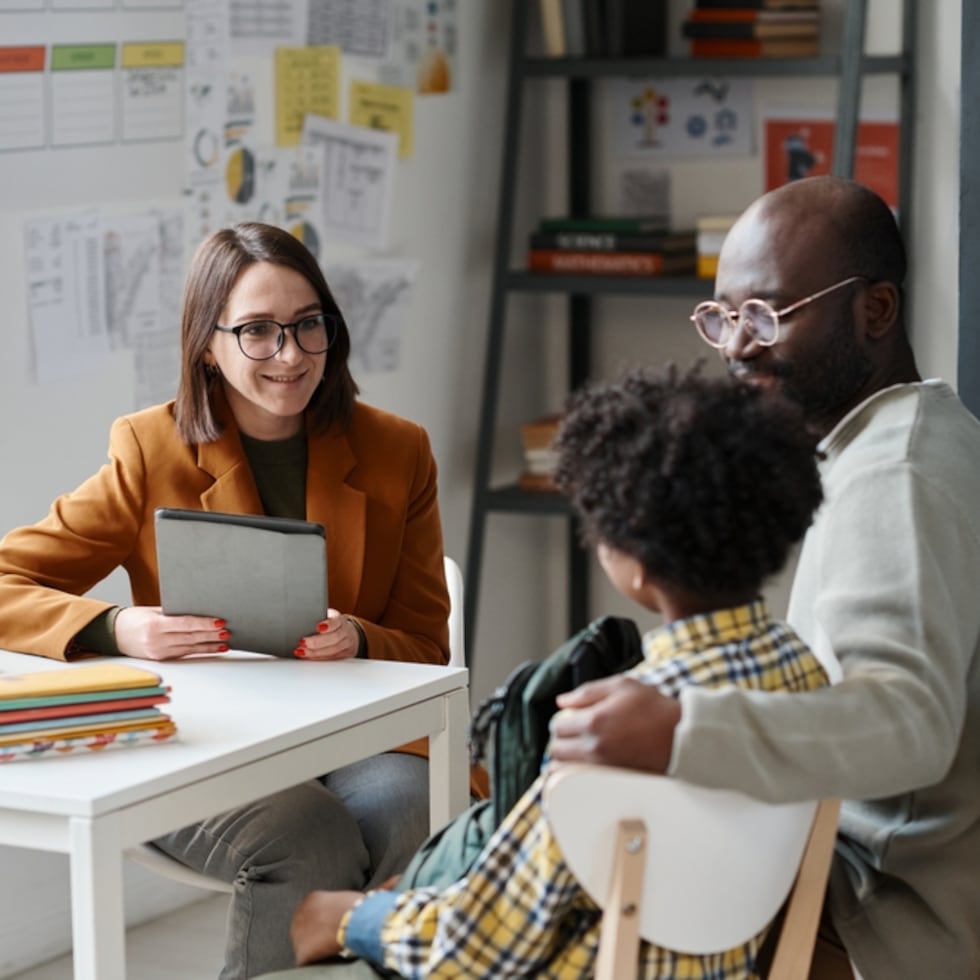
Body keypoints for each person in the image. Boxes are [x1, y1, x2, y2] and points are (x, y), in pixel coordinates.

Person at [0, 222, 479, 980]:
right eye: (257, 331)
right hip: (208, 744)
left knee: (408, 808)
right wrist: (117, 626)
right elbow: (6, 581)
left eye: (308, 326)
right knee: (304, 833)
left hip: (359, 741)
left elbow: (425, 642)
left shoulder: (398, 451)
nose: (289, 355)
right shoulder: (149, 449)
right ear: (206, 345)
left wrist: (359, 637)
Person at [255, 365, 831, 979]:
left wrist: (349, 917)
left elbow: (475, 951)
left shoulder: (616, 730)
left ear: (631, 559)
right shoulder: (805, 680)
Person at [549, 177, 980, 980]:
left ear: (875, 312)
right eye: (723, 316)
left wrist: (682, 728)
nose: (737, 347)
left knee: (564, 896)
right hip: (843, 867)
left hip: (883, 919)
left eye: (769, 314)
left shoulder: (898, 476)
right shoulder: (901, 438)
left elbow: (909, 722)